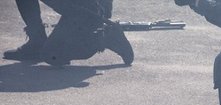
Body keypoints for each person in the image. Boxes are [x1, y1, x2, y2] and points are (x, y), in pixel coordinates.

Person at [3, 0, 133, 66]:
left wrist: (102, 13)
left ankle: (106, 37)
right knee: (52, 54)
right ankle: (37, 41)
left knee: (52, 55)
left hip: (87, 9)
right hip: (75, 9)